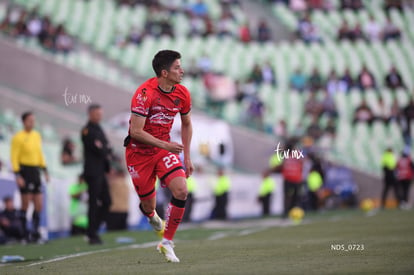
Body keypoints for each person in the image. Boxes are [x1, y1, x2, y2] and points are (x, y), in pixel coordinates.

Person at [124, 50, 194, 263]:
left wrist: (188, 158)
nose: (181, 70)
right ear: (164, 73)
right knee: (149, 206)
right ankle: (152, 216)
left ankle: (167, 242)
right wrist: (166, 144)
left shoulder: (182, 93)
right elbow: (135, 132)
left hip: (163, 151)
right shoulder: (144, 93)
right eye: (176, 68)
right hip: (138, 154)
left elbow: (187, 124)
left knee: (181, 190)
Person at [10, 111, 49, 243]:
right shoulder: (18, 137)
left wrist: (45, 170)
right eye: (29, 120)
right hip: (24, 171)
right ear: (24, 122)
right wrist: (17, 175)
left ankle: (35, 232)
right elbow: (14, 156)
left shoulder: (36, 135)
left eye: (33, 120)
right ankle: (24, 234)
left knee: (39, 204)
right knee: (25, 204)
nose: (32, 123)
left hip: (35, 171)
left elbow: (39, 153)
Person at [81, 104, 112, 244]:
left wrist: (105, 149)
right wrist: (105, 149)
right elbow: (100, 149)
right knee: (93, 203)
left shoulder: (99, 129)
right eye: (97, 113)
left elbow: (106, 148)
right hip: (92, 172)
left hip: (101, 171)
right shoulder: (87, 130)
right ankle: (92, 234)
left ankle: (93, 230)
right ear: (90, 114)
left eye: (101, 113)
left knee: (107, 201)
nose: (100, 116)